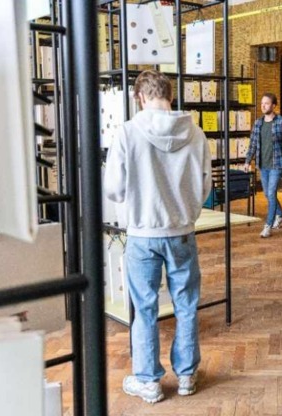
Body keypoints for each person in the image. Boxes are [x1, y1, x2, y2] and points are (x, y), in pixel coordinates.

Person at [104, 70, 212, 403]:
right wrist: (187, 211)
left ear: (139, 96)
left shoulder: (127, 132)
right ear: (170, 94)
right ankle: (186, 375)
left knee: (145, 308)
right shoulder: (196, 135)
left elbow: (113, 188)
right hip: (181, 231)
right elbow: (205, 186)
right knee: (186, 304)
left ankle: (149, 380)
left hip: (142, 232)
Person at [244, 93, 282, 238]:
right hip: (263, 164)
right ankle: (280, 215)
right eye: (262, 103)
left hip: (276, 164)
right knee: (267, 194)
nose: (263, 106)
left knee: (271, 193)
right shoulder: (258, 123)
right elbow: (253, 144)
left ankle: (268, 225)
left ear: (274, 105)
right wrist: (248, 161)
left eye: (266, 103)